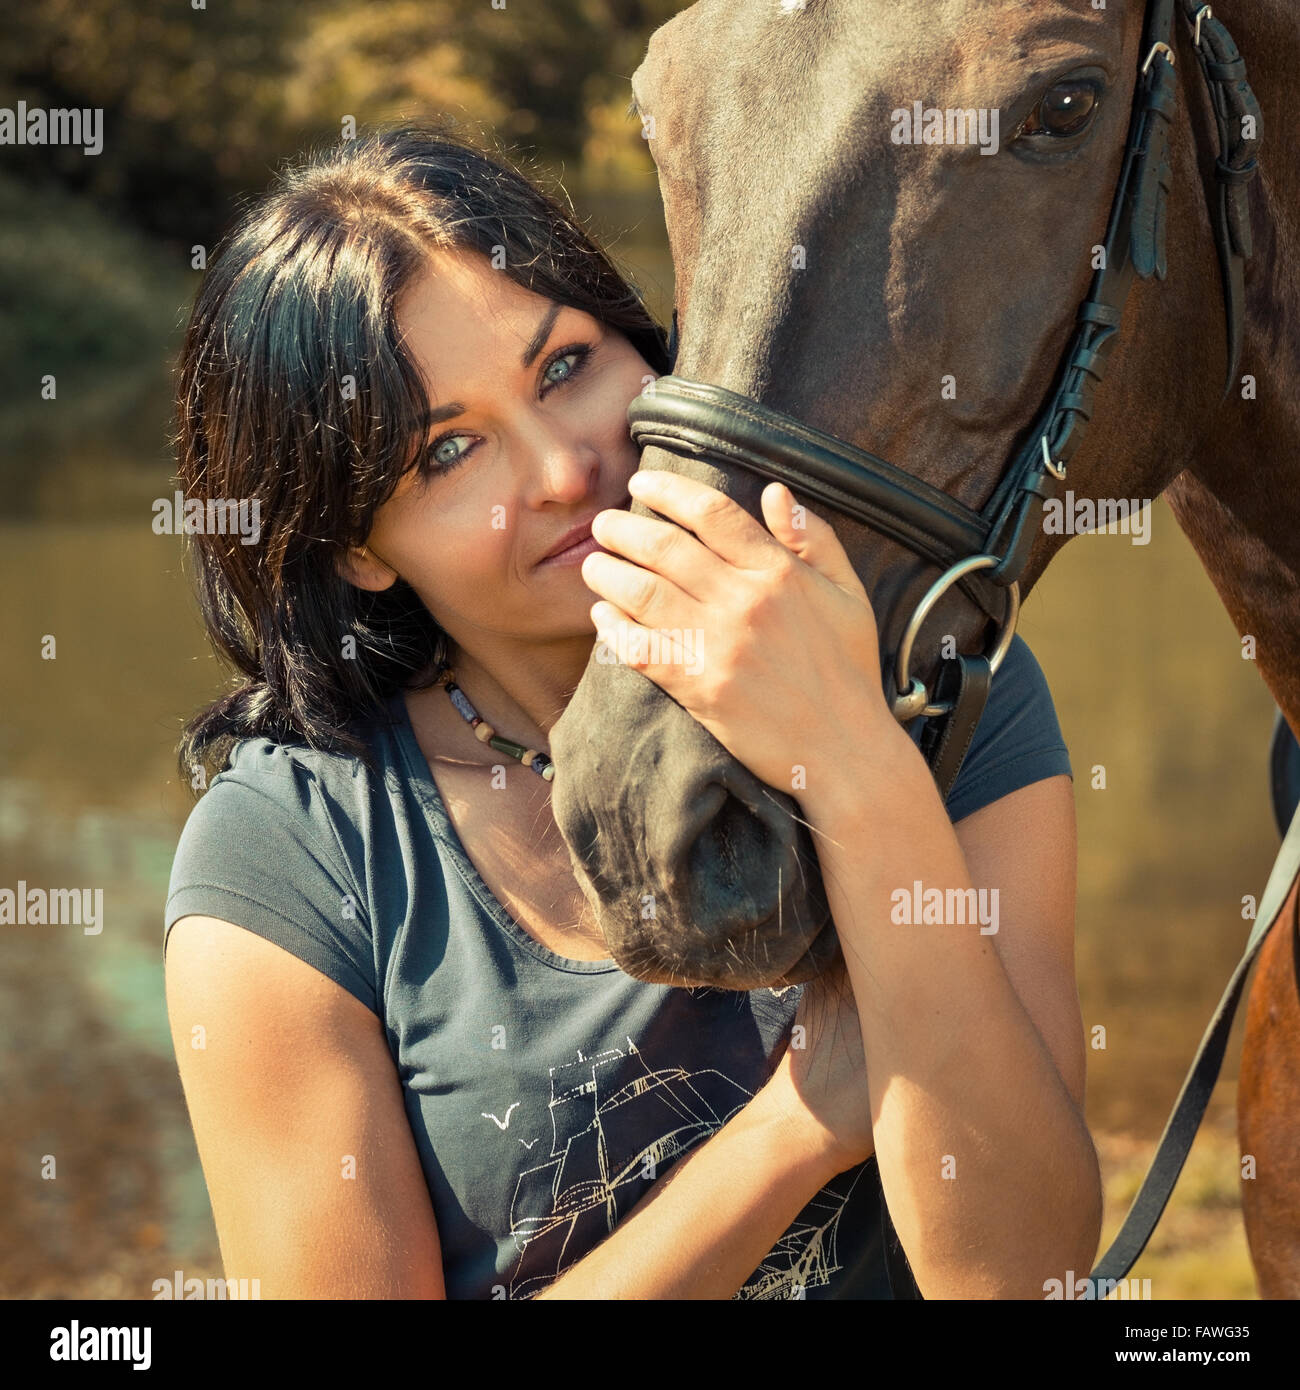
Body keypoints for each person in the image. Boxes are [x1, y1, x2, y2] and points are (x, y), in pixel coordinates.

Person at [164, 123, 1098, 1299]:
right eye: (450, 452)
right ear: (356, 547)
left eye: (564, 368)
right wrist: (794, 1129)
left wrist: (851, 760)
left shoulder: (932, 681)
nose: (561, 468)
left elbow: (1028, 1274)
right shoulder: (295, 857)